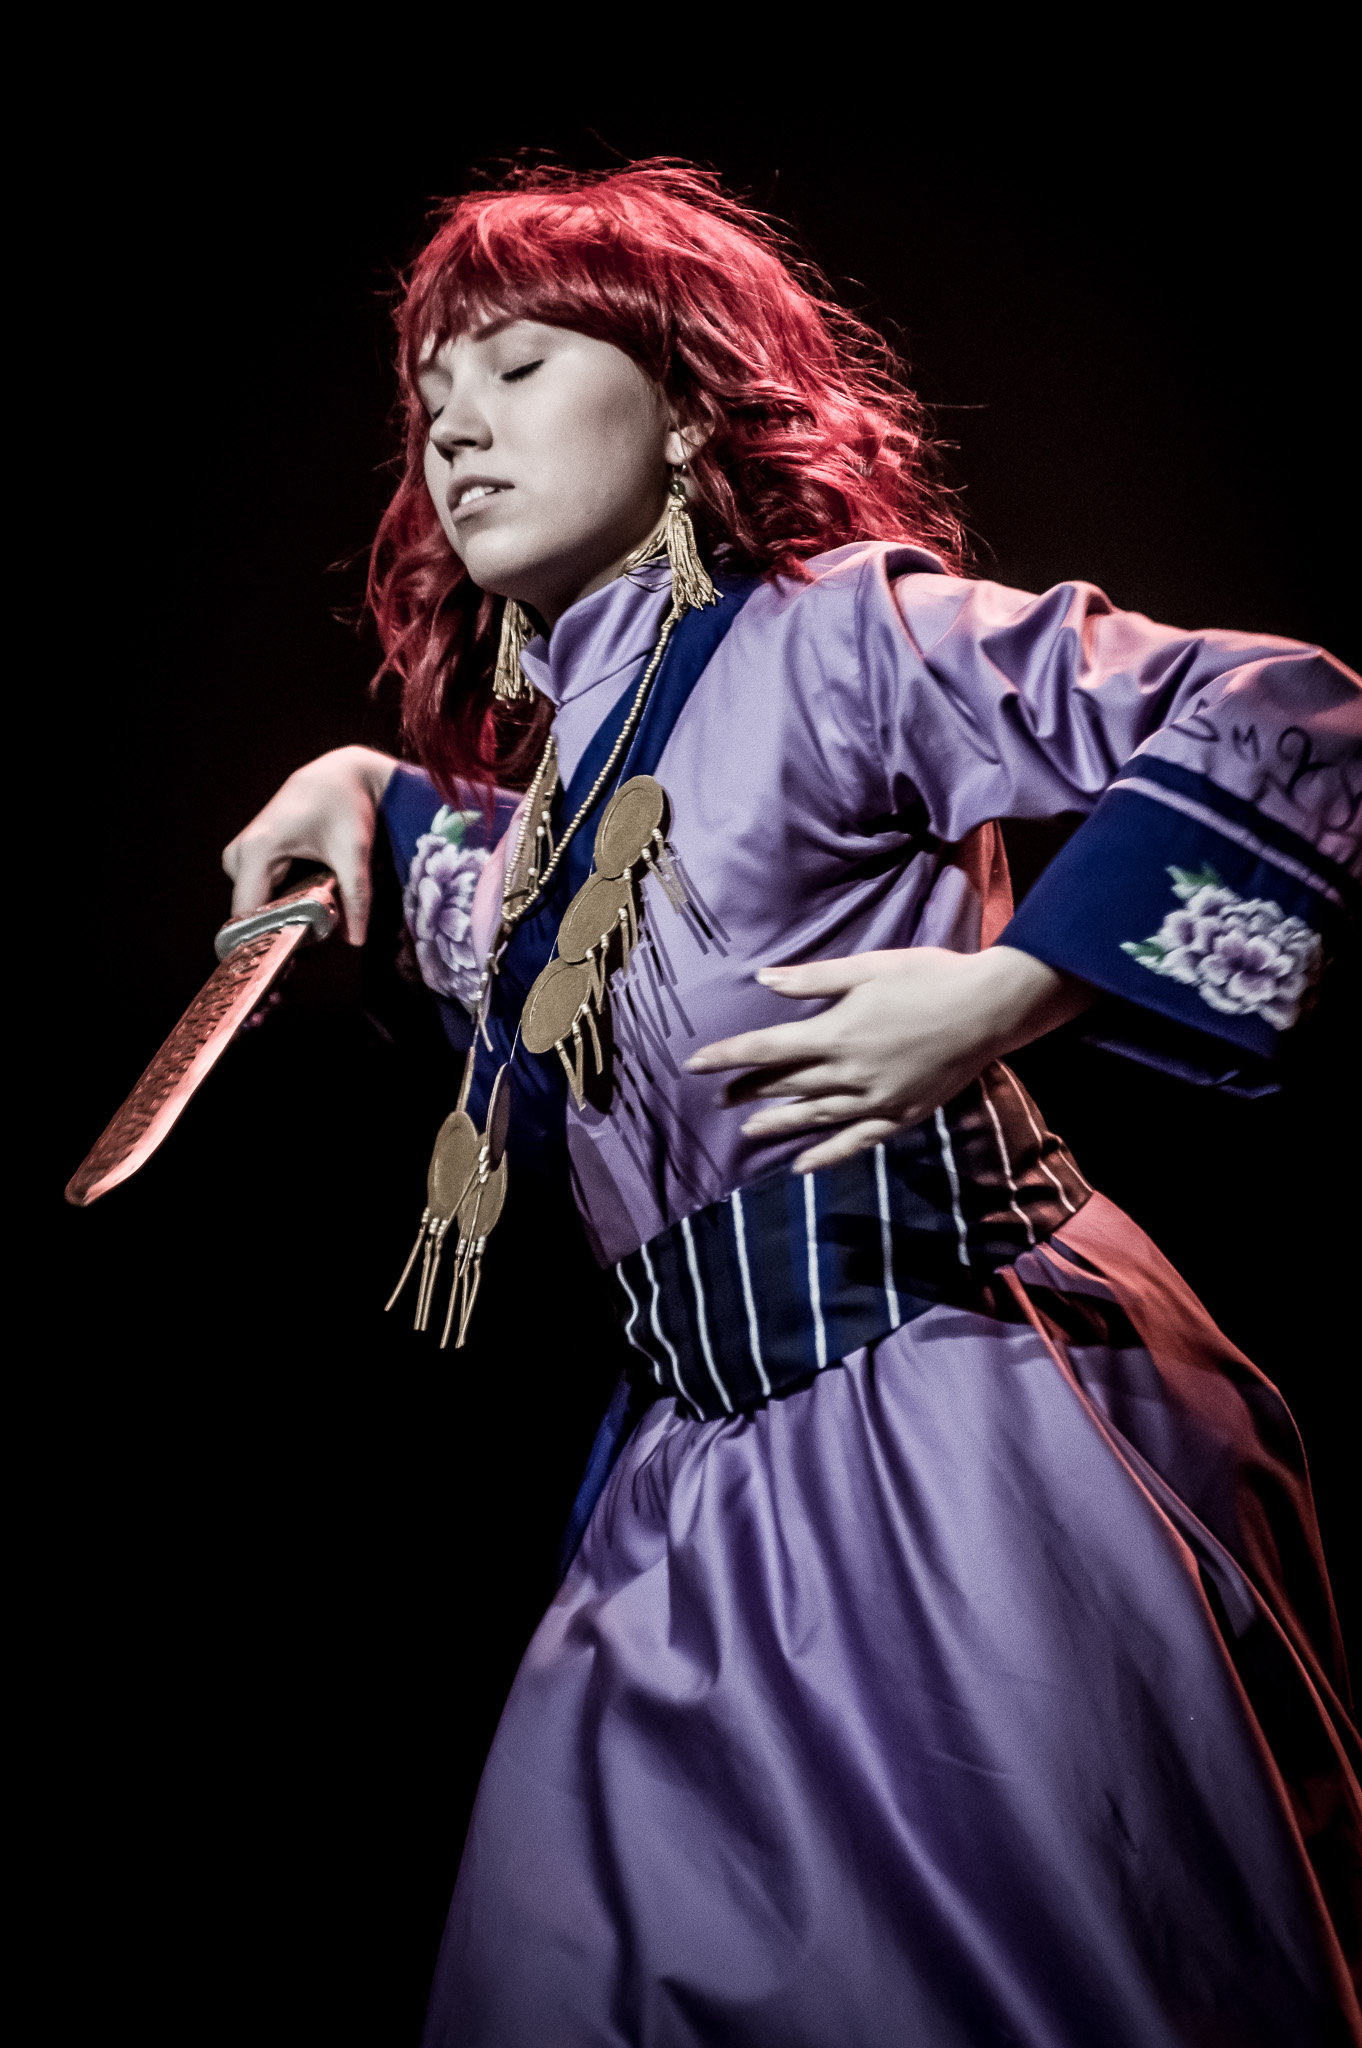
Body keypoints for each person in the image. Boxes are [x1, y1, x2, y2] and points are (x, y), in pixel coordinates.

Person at [224, 163, 1362, 2045]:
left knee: (1015, 1983)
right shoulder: (573, 770)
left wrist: (1012, 988)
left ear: (685, 408)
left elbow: (1275, 703)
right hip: (692, 1484)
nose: (456, 427)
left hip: (959, 1413)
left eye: (517, 366)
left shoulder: (840, 637)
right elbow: (508, 913)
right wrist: (365, 787)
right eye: (430, 397)